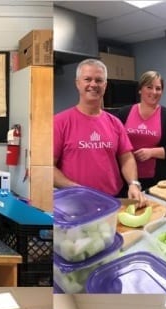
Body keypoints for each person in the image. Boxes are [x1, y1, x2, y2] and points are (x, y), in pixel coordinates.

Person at [53, 58, 146, 206]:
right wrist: (75, 188)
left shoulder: (115, 123)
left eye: (99, 80)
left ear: (105, 85)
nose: (93, 84)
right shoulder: (59, 122)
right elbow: (48, 167)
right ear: (77, 83)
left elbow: (127, 158)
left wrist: (134, 183)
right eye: (87, 79)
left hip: (113, 199)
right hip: (75, 201)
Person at [113, 70, 166, 189]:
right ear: (140, 89)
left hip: (160, 178)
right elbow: (115, 143)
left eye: (158, 88)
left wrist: (151, 152)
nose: (154, 92)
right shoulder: (124, 113)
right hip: (128, 178)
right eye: (149, 87)